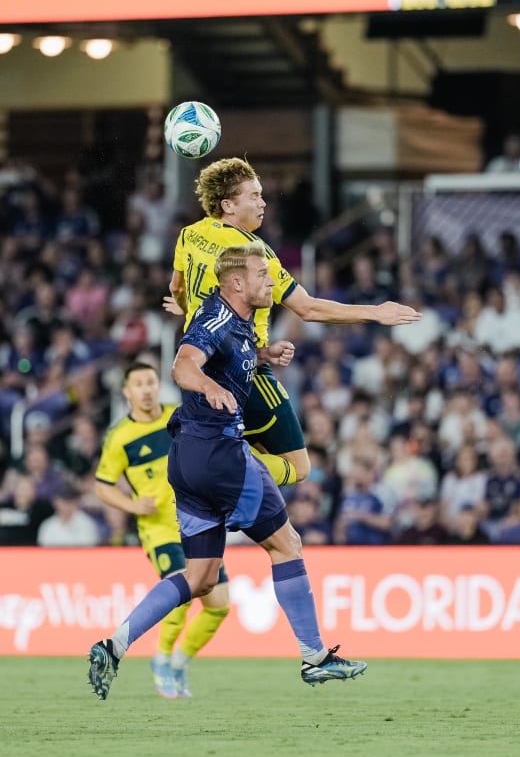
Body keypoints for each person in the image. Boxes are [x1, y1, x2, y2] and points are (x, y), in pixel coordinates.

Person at [88, 244, 366, 700]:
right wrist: (211, 387)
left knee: (200, 578)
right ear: (237, 283)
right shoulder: (215, 318)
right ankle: (315, 657)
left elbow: (224, 353)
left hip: (188, 463)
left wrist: (262, 355)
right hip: (221, 455)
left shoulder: (234, 324)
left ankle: (114, 643)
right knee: (287, 543)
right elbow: (183, 365)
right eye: (262, 274)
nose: (271, 282)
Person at [164, 157, 420, 487]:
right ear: (227, 204)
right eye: (253, 196)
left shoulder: (190, 234)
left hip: (200, 366)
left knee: (250, 473)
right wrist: (375, 312)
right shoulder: (255, 255)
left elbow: (177, 286)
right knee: (298, 467)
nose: (263, 203)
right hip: (245, 370)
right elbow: (309, 309)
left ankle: (219, 467)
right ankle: (219, 466)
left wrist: (185, 307)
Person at [93, 362, 230, 699]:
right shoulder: (119, 438)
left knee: (220, 605)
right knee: (183, 589)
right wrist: (132, 506)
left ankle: (180, 662)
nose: (146, 388)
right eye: (138, 383)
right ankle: (162, 659)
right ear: (127, 392)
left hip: (199, 522)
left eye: (151, 382)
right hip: (160, 531)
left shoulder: (180, 416)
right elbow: (102, 486)